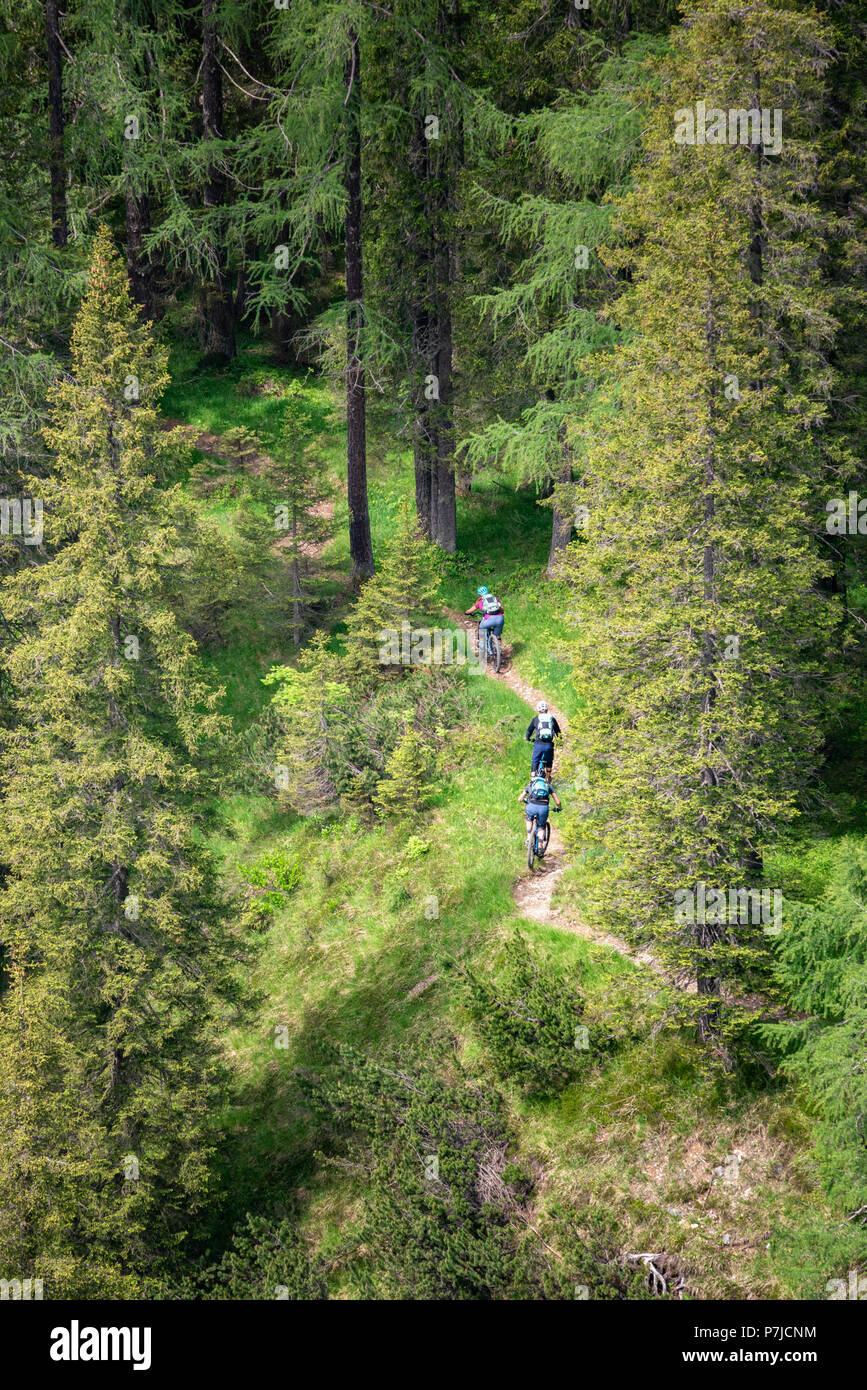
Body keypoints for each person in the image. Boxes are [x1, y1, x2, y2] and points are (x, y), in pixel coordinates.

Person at [518, 765, 562, 839]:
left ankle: (529, 837)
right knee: (541, 827)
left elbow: (520, 799)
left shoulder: (531, 785)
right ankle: (540, 845)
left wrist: (526, 801)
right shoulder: (548, 786)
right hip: (543, 808)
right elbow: (557, 802)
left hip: (531, 806)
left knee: (529, 819)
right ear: (544, 777)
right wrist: (559, 808)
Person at [464, 585, 504, 656]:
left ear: (479, 594)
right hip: (499, 618)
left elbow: (473, 608)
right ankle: (498, 646)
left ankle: (482, 644)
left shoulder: (480, 601)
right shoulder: (495, 598)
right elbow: (502, 608)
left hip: (488, 619)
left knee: (481, 628)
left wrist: (466, 612)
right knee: (497, 635)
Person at [525, 700, 562, 774]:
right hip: (549, 745)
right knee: (549, 760)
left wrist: (527, 738)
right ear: (547, 709)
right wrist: (560, 741)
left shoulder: (536, 719)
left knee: (535, 760)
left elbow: (529, 730)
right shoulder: (552, 719)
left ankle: (533, 778)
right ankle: (548, 778)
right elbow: (558, 732)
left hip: (538, 744)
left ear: (538, 709)